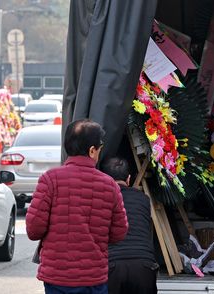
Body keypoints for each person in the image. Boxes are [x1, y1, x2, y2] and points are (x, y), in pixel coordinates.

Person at [26, 119, 128, 294]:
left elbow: (33, 229)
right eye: (99, 147)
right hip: (94, 278)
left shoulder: (50, 179)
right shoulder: (110, 185)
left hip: (57, 277)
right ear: (91, 150)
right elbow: (119, 232)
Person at [100, 157, 158, 294]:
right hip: (144, 266)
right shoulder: (143, 199)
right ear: (129, 179)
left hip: (113, 265)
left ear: (103, 178)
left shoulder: (100, 199)